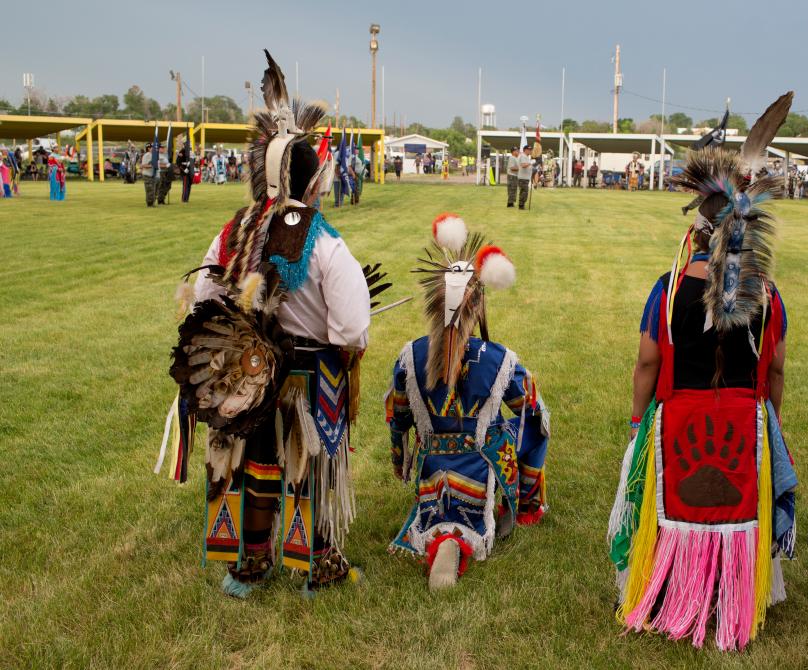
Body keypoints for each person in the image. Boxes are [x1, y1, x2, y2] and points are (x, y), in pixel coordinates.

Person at [162, 50, 378, 598]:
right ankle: (315, 566)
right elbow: (352, 328)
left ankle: (248, 566)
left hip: (241, 374)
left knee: (253, 461)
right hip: (309, 375)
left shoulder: (234, 229)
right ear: (312, 180)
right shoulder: (324, 240)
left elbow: (206, 297)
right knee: (310, 467)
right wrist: (348, 353)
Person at [610, 93, 797, 652]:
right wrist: (772, 419)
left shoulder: (667, 290)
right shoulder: (766, 294)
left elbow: (648, 360)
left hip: (677, 417)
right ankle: (731, 596)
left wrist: (639, 417)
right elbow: (778, 367)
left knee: (673, 505)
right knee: (737, 507)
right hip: (746, 418)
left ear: (696, 235)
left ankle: (672, 586)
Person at [384, 213, 550, 590]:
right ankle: (524, 508)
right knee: (538, 421)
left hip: (432, 464)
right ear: (477, 307)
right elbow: (532, 411)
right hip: (481, 463)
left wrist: (401, 459)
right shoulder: (498, 359)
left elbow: (398, 414)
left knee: (436, 508)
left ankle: (442, 536)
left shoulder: (411, 355)